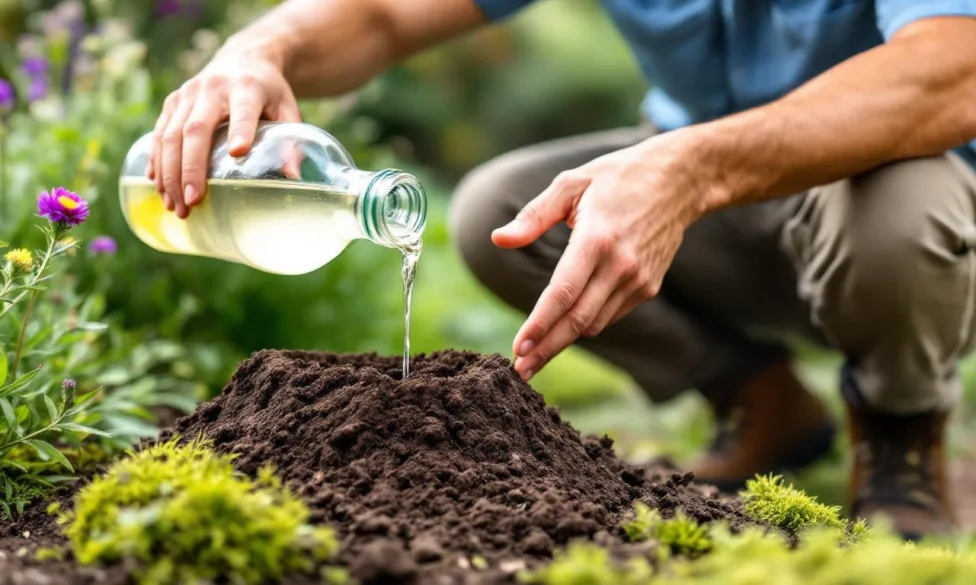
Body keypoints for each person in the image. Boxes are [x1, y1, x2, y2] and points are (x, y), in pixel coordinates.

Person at [145, 0, 976, 540]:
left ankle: (902, 427)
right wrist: (260, 48)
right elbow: (383, 16)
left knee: (902, 219)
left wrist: (687, 169)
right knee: (498, 212)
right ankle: (763, 402)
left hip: (902, 196)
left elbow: (952, 69)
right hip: (715, 203)